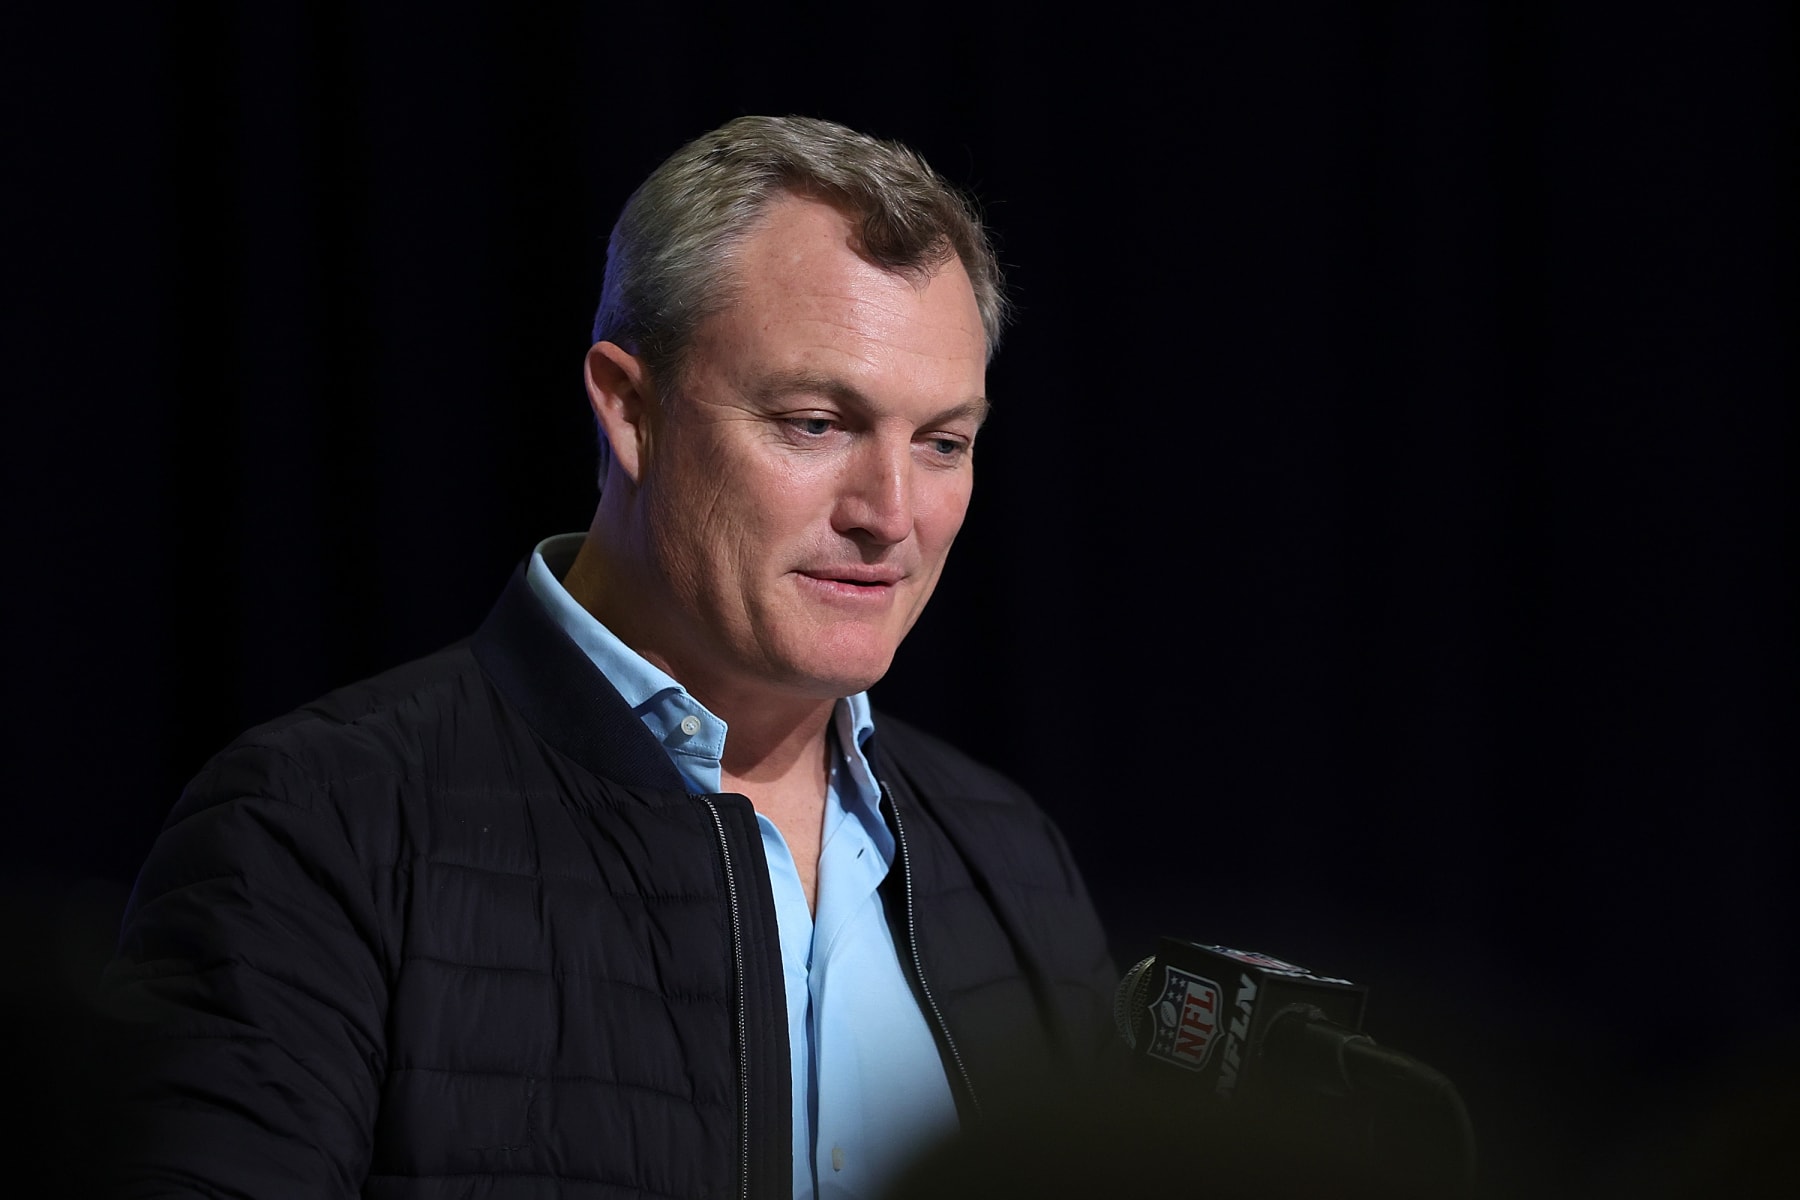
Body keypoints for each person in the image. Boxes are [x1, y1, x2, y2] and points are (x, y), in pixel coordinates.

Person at [102, 114, 1116, 1199]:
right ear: (632, 409)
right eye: (816, 423)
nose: (892, 514)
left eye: (943, 443)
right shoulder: (313, 826)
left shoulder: (1012, 858)